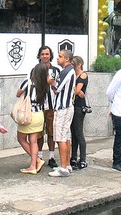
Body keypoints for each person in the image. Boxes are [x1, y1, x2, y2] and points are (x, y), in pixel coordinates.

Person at [16, 63, 48, 174]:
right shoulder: (45, 84)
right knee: (33, 141)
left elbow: (18, 93)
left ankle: (37, 161)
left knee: (21, 138)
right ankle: (33, 165)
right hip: (39, 114)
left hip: (28, 115)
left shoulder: (28, 83)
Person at [48, 49, 76, 177]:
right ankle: (67, 165)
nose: (57, 58)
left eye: (60, 57)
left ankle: (64, 167)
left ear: (67, 59)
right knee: (66, 136)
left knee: (60, 137)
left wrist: (51, 82)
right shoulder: (70, 71)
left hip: (63, 108)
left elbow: (57, 89)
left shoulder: (65, 71)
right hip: (66, 107)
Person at [70, 56, 88, 170]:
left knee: (79, 133)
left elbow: (76, 91)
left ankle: (83, 159)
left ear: (79, 64)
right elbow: (76, 90)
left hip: (79, 106)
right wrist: (76, 90)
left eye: (74, 64)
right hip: (72, 105)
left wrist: (77, 90)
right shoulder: (73, 75)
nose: (72, 66)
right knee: (73, 133)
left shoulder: (83, 75)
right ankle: (73, 157)